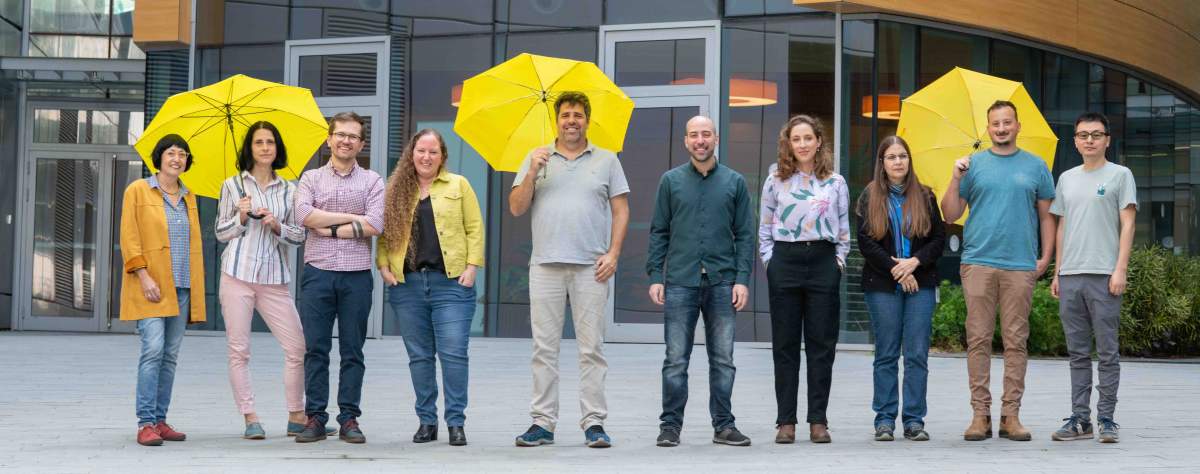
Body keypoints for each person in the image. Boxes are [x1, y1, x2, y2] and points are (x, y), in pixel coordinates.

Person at [509, 91, 630, 448]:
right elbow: (516, 207)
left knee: (591, 349)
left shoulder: (607, 160)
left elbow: (621, 210)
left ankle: (594, 423)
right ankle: (542, 423)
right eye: (565, 115)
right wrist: (532, 171)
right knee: (543, 349)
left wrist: (614, 253)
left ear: (587, 120)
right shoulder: (536, 158)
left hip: (591, 268)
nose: (572, 121)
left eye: (578, 115)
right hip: (545, 265)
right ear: (556, 121)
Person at [941, 100, 1056, 442]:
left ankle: (1011, 416)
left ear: (1017, 126)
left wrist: (1046, 257)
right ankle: (980, 415)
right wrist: (955, 176)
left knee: (1016, 342)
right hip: (978, 262)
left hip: (1020, 264)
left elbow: (1047, 216)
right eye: (996, 124)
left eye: (1007, 122)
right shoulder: (972, 165)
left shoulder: (1036, 167)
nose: (1002, 128)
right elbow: (949, 214)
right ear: (988, 129)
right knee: (977, 339)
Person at [647, 116, 755, 448]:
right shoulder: (670, 181)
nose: (700, 140)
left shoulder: (734, 183)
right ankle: (670, 427)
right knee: (675, 359)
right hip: (680, 280)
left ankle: (723, 425)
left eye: (706, 134)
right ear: (685, 141)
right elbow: (659, 232)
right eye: (694, 135)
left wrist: (742, 280)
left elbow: (746, 236)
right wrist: (655, 276)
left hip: (723, 282)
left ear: (716, 139)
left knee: (723, 359)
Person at [378, 129, 484, 446]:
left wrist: (471, 267)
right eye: (421, 150)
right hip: (407, 285)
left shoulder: (459, 185)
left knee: (453, 355)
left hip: (451, 284)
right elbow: (384, 234)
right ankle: (427, 421)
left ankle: (456, 423)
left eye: (433, 152)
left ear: (442, 156)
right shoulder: (396, 189)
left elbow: (474, 227)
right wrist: (383, 265)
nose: (426, 157)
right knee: (420, 357)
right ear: (412, 154)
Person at [292, 112, 385, 444]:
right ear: (329, 138)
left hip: (357, 277)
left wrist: (326, 225)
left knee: (353, 351)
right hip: (317, 274)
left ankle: (349, 419)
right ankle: (316, 417)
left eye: (353, 136)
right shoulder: (311, 178)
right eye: (340, 134)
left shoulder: (373, 180)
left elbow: (376, 224)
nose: (346, 141)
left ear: (361, 144)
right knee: (315, 349)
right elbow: (303, 215)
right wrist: (352, 218)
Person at [215, 121, 311, 440]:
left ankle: (297, 414)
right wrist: (240, 217)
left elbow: (299, 236)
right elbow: (220, 233)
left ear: (277, 148)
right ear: (250, 148)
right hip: (237, 275)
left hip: (274, 278)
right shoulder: (232, 186)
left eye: (270, 141)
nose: (265, 147)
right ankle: (250, 417)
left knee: (297, 346)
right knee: (239, 350)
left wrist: (277, 225)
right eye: (259, 142)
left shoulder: (290, 190)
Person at [759, 114, 850, 444]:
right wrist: (771, 262)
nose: (802, 144)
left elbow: (843, 231)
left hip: (823, 262)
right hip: (785, 261)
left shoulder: (836, 182)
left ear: (819, 141)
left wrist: (837, 263)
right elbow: (764, 227)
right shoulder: (775, 180)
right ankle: (785, 421)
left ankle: (818, 420)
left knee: (821, 345)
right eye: (796, 139)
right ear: (788, 143)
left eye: (808, 138)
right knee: (784, 345)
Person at [1048, 112, 1136, 444]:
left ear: (1107, 140)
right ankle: (1080, 419)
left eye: (1096, 135)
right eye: (1083, 135)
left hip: (1104, 276)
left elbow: (1127, 224)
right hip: (1070, 275)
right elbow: (1061, 226)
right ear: (1075, 141)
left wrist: (1120, 269)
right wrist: (1057, 272)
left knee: (1108, 351)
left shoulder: (1120, 175)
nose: (1089, 140)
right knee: (1078, 352)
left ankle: (1107, 419)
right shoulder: (1066, 179)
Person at [855, 135, 945, 442]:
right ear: (882, 162)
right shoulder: (870, 196)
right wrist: (897, 268)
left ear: (909, 160)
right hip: (882, 284)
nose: (897, 162)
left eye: (902, 156)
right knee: (887, 352)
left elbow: (938, 241)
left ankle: (914, 420)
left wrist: (914, 263)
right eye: (891, 157)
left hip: (920, 283)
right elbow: (865, 241)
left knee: (917, 353)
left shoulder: (926, 196)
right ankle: (884, 419)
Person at [120, 134, 207, 446]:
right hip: (151, 286)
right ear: (159, 157)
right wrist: (143, 276)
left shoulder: (189, 197)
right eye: (171, 153)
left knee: (169, 355)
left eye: (183, 154)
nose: (177, 159)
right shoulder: (138, 190)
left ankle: (160, 419)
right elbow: (129, 238)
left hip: (182, 286)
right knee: (153, 349)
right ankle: (145, 422)